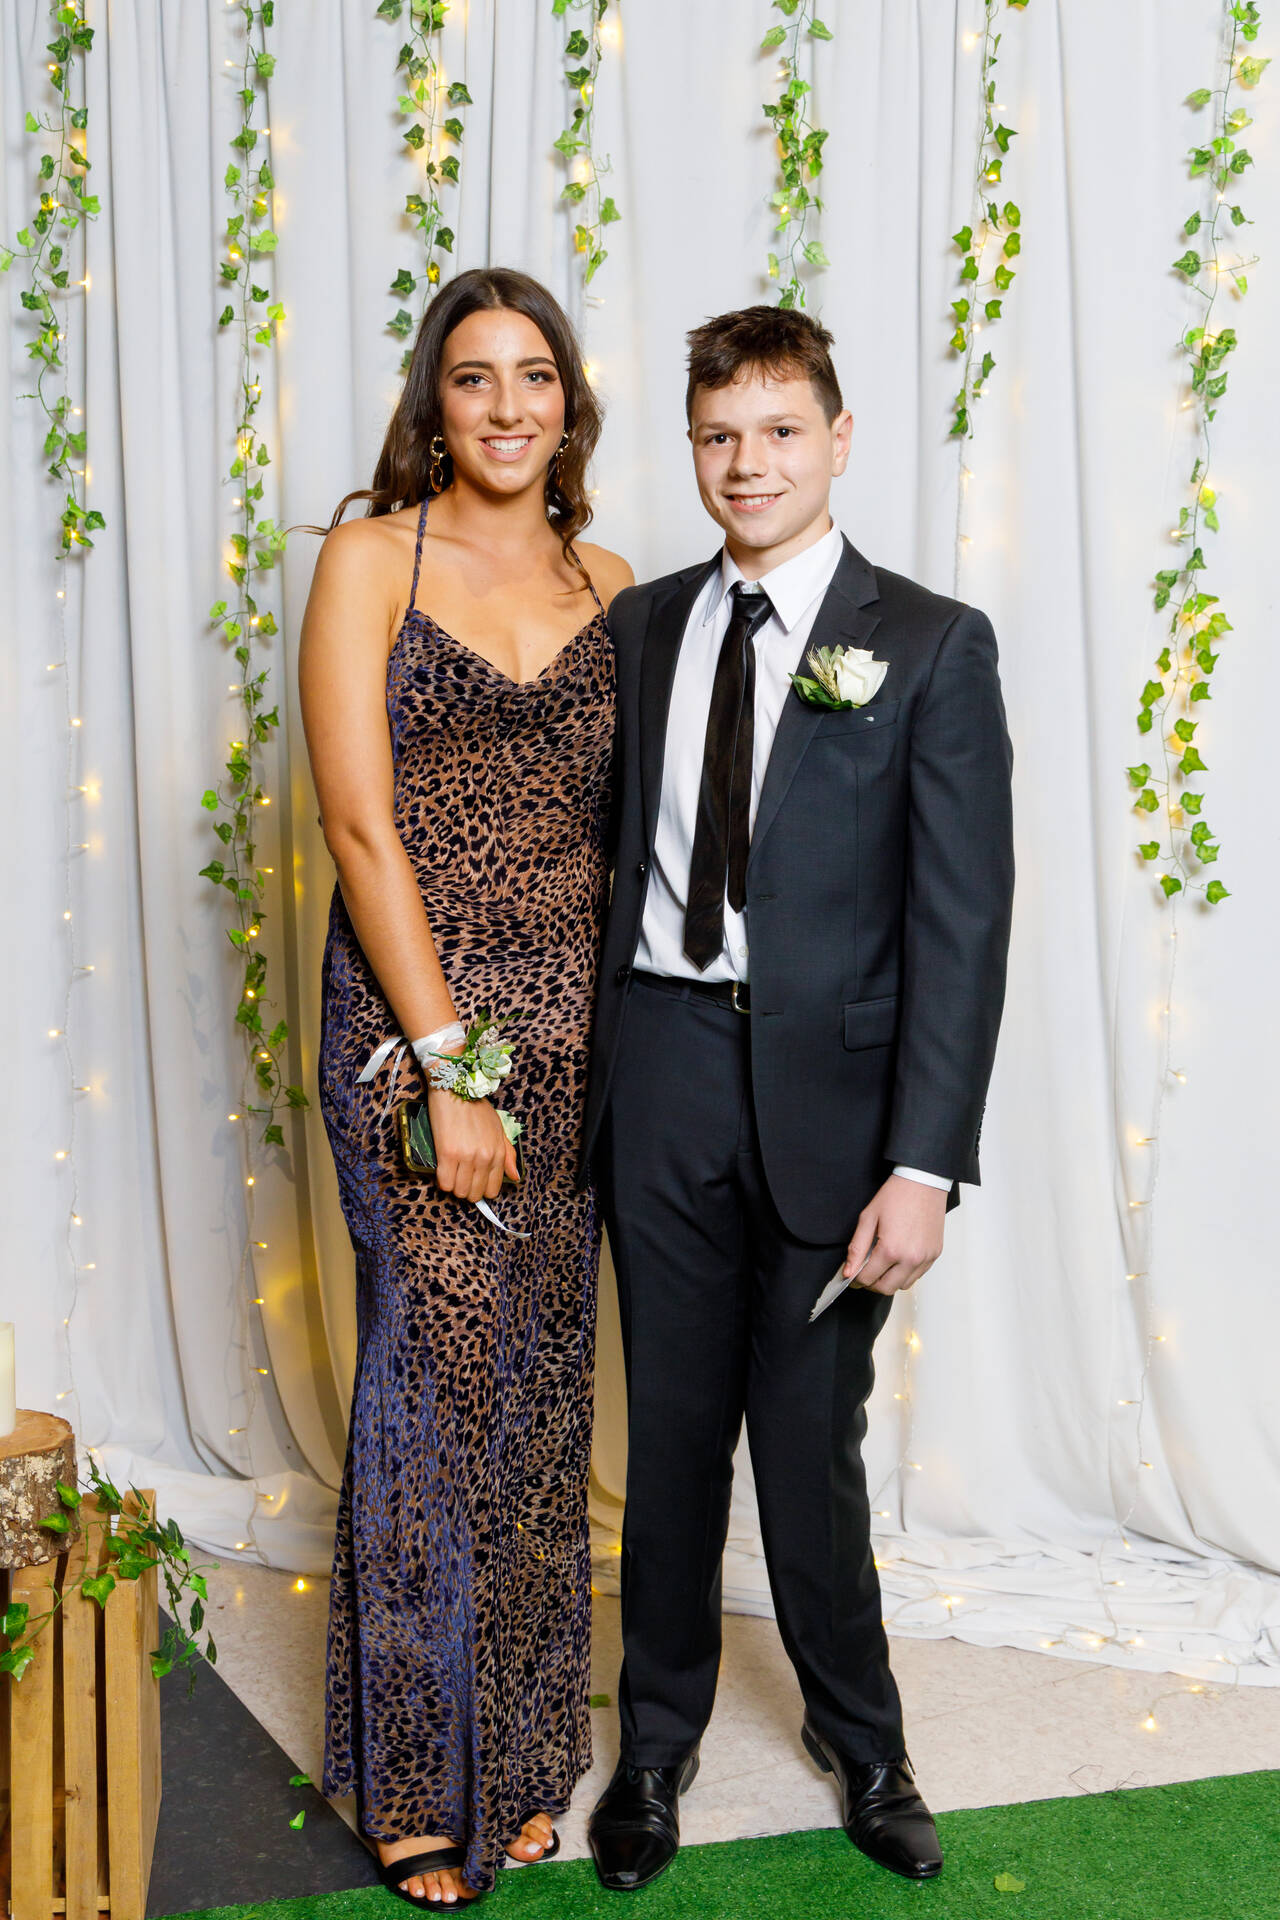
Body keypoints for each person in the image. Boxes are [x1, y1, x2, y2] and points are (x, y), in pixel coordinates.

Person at [581, 304, 1014, 1892]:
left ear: (837, 440)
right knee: (672, 1434)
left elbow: (963, 924)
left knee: (809, 1440)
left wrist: (926, 1162)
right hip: (663, 1067)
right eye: (719, 435)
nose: (746, 463)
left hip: (839, 1107)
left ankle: (866, 1740)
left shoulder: (931, 642)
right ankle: (655, 1745)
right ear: (691, 448)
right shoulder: (643, 626)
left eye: (777, 431)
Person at [299, 266, 632, 1910]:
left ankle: (523, 1760)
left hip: (581, 1042)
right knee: (434, 1393)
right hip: (413, 1031)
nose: (508, 405)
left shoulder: (611, 580)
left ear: (570, 403)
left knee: (543, 1397)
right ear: (434, 402)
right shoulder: (373, 559)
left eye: (535, 375)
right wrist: (448, 1070)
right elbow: (360, 827)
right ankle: (414, 1780)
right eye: (475, 376)